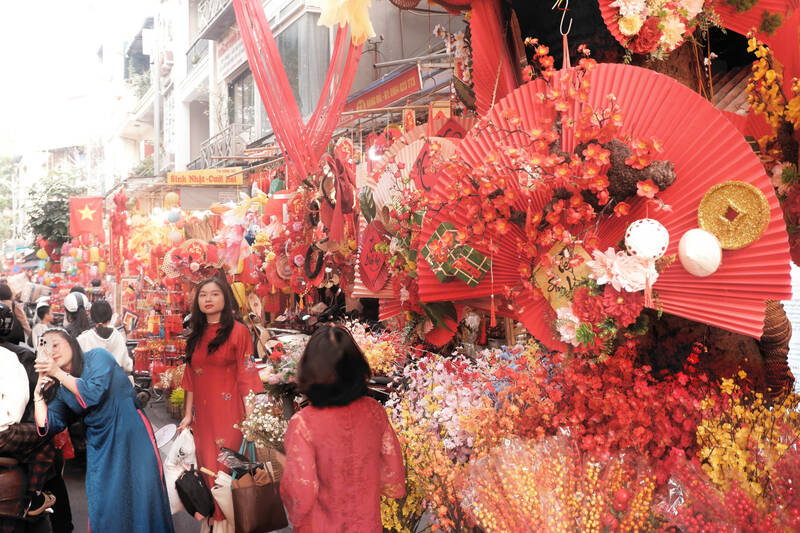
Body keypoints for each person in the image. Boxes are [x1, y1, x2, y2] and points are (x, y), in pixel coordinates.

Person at [33, 329, 174, 533]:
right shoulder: (62, 389)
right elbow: (48, 425)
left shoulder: (98, 357)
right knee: (105, 506)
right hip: (101, 447)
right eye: (46, 346)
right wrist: (38, 395)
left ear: (72, 343)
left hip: (131, 437)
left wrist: (56, 373)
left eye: (57, 344)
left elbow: (92, 393)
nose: (52, 350)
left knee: (143, 497)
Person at [280, 325, 406, 532]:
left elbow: (300, 494)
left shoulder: (303, 423)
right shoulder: (374, 412)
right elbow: (392, 474)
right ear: (357, 367)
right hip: (365, 523)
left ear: (310, 369)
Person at [178, 277, 262, 524]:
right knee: (207, 471)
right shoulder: (195, 334)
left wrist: (252, 417)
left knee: (227, 472)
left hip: (232, 415)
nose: (208, 299)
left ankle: (231, 524)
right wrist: (187, 415)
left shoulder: (240, 332)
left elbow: (248, 374)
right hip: (203, 419)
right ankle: (214, 525)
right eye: (203, 295)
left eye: (215, 294)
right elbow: (190, 376)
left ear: (225, 298)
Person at [78, 300, 132, 373]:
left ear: (91, 317)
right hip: (115, 382)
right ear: (110, 317)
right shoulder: (118, 336)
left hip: (92, 383)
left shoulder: (83, 339)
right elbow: (127, 366)